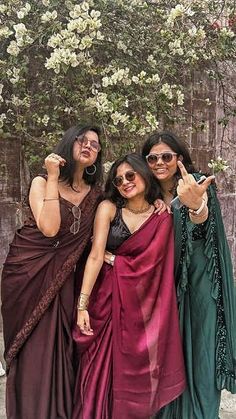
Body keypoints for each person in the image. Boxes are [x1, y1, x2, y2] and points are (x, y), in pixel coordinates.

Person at [72, 153, 186, 419]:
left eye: (130, 175)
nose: (124, 182)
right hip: (106, 300)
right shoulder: (109, 208)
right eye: (119, 179)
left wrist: (119, 261)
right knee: (97, 368)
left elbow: (157, 268)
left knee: (137, 372)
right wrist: (82, 305)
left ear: (143, 174)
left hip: (140, 307)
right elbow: (96, 255)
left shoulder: (162, 215)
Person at [1, 124, 103, 419]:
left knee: (60, 351)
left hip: (64, 281)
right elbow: (49, 228)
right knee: (33, 353)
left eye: (94, 145)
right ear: (68, 143)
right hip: (28, 277)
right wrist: (54, 177)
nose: (87, 146)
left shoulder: (96, 195)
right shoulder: (40, 182)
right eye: (81, 141)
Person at [141, 131, 236, 419]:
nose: (160, 162)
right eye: (152, 158)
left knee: (203, 353)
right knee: (164, 360)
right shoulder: (146, 193)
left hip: (200, 285)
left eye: (166, 156)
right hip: (161, 290)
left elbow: (207, 227)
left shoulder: (196, 184)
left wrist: (196, 206)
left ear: (179, 158)